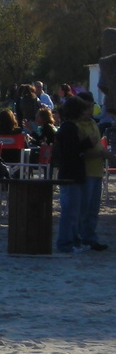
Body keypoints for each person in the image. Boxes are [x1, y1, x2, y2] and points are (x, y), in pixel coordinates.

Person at [54, 96, 94, 254]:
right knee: (69, 212)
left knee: (74, 212)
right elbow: (70, 151)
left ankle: (74, 241)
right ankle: (65, 244)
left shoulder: (68, 127)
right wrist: (87, 143)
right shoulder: (69, 128)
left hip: (71, 174)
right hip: (70, 175)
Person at [76, 91, 113, 252]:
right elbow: (80, 151)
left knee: (94, 209)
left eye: (92, 107)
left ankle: (91, 238)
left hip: (97, 170)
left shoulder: (93, 124)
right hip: (86, 171)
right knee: (83, 208)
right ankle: (80, 237)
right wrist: (102, 154)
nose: (90, 110)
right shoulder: (76, 127)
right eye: (86, 107)